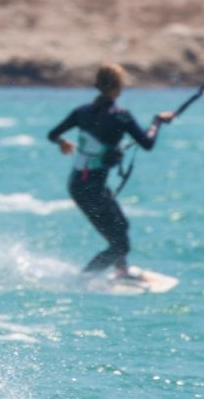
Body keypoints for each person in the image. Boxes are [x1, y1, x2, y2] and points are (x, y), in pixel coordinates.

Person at [47, 63, 175, 279]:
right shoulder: (121, 116)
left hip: (79, 185)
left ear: (98, 86)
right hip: (92, 188)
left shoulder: (81, 112)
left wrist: (62, 142)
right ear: (118, 88)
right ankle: (83, 279)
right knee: (120, 244)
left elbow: (52, 134)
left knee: (121, 227)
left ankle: (120, 271)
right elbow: (147, 143)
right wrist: (157, 121)